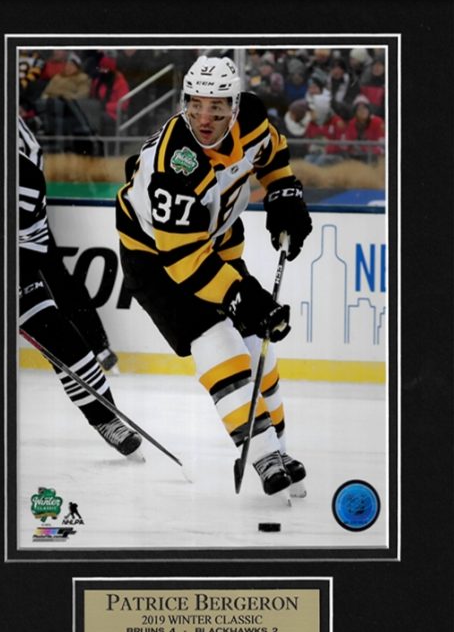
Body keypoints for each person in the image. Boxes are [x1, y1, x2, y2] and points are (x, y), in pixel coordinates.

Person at [116, 56, 313, 497]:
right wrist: (243, 296)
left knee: (255, 342)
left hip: (215, 239)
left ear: (235, 107)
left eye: (217, 109)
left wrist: (283, 193)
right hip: (156, 260)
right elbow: (184, 260)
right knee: (216, 340)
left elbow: (272, 153)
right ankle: (262, 454)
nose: (204, 119)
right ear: (184, 103)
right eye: (196, 105)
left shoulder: (253, 118)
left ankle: (280, 448)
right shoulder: (174, 165)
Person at [17, 118, 141, 457]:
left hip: (10, 268)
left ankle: (107, 418)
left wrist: (12, 280)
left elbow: (33, 247)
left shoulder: (26, 176)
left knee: (59, 334)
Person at [18, 116, 118, 371]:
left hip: (28, 225)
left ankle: (97, 345)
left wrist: (25, 204)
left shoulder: (2, 116)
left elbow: (32, 151)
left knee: (57, 278)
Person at [90, 55, 130, 135]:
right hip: (96, 111)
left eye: (105, 69)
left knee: (98, 118)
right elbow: (93, 97)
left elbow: (123, 104)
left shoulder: (120, 83)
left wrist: (105, 106)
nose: (102, 71)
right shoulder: (97, 82)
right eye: (101, 68)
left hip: (114, 115)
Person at [343, 94, 385, 162]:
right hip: (356, 156)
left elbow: (382, 145)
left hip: (375, 156)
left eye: (365, 108)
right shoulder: (352, 123)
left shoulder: (377, 122)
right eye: (359, 109)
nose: (362, 111)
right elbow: (346, 143)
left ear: (369, 110)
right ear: (355, 113)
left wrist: (365, 149)